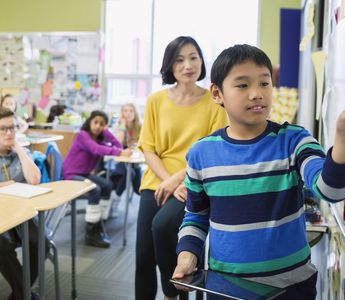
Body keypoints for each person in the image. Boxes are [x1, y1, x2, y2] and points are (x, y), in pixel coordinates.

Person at [172, 44, 345, 299]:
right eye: (243, 85)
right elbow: (196, 215)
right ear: (217, 93)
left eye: (265, 83)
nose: (257, 94)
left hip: (292, 288)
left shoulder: (294, 140)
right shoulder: (201, 154)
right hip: (226, 287)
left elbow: (331, 190)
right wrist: (187, 254)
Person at [135, 36, 228, 300]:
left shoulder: (214, 101)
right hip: (156, 181)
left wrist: (178, 180)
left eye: (193, 57)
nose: (188, 64)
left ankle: (172, 294)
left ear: (201, 61)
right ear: (170, 66)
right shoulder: (155, 100)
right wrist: (166, 180)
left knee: (163, 228)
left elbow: (210, 149)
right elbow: (149, 147)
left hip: (191, 182)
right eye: (179, 59)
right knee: (143, 256)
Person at [62, 110, 132, 248]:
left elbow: (117, 145)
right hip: (71, 175)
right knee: (95, 190)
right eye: (95, 122)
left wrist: (106, 133)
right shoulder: (82, 136)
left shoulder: (98, 138)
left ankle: (99, 223)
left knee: (107, 185)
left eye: (102, 124)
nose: (97, 126)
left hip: (84, 174)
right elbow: (96, 149)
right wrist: (120, 152)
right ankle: (90, 234)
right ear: (89, 122)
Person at [0, 108, 43, 300]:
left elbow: (34, 179)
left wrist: (18, 148)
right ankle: (24, 294)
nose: (9, 133)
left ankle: (19, 294)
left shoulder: (21, 151)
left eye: (12, 128)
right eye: (3, 129)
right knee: (2, 247)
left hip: (21, 213)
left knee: (40, 242)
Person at [109, 102, 142, 217]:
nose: (128, 113)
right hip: (120, 159)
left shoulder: (140, 126)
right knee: (129, 173)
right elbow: (117, 144)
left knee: (139, 188)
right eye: (125, 111)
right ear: (122, 113)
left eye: (131, 111)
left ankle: (116, 198)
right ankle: (115, 200)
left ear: (135, 113)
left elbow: (143, 144)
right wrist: (122, 125)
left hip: (136, 160)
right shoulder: (118, 126)